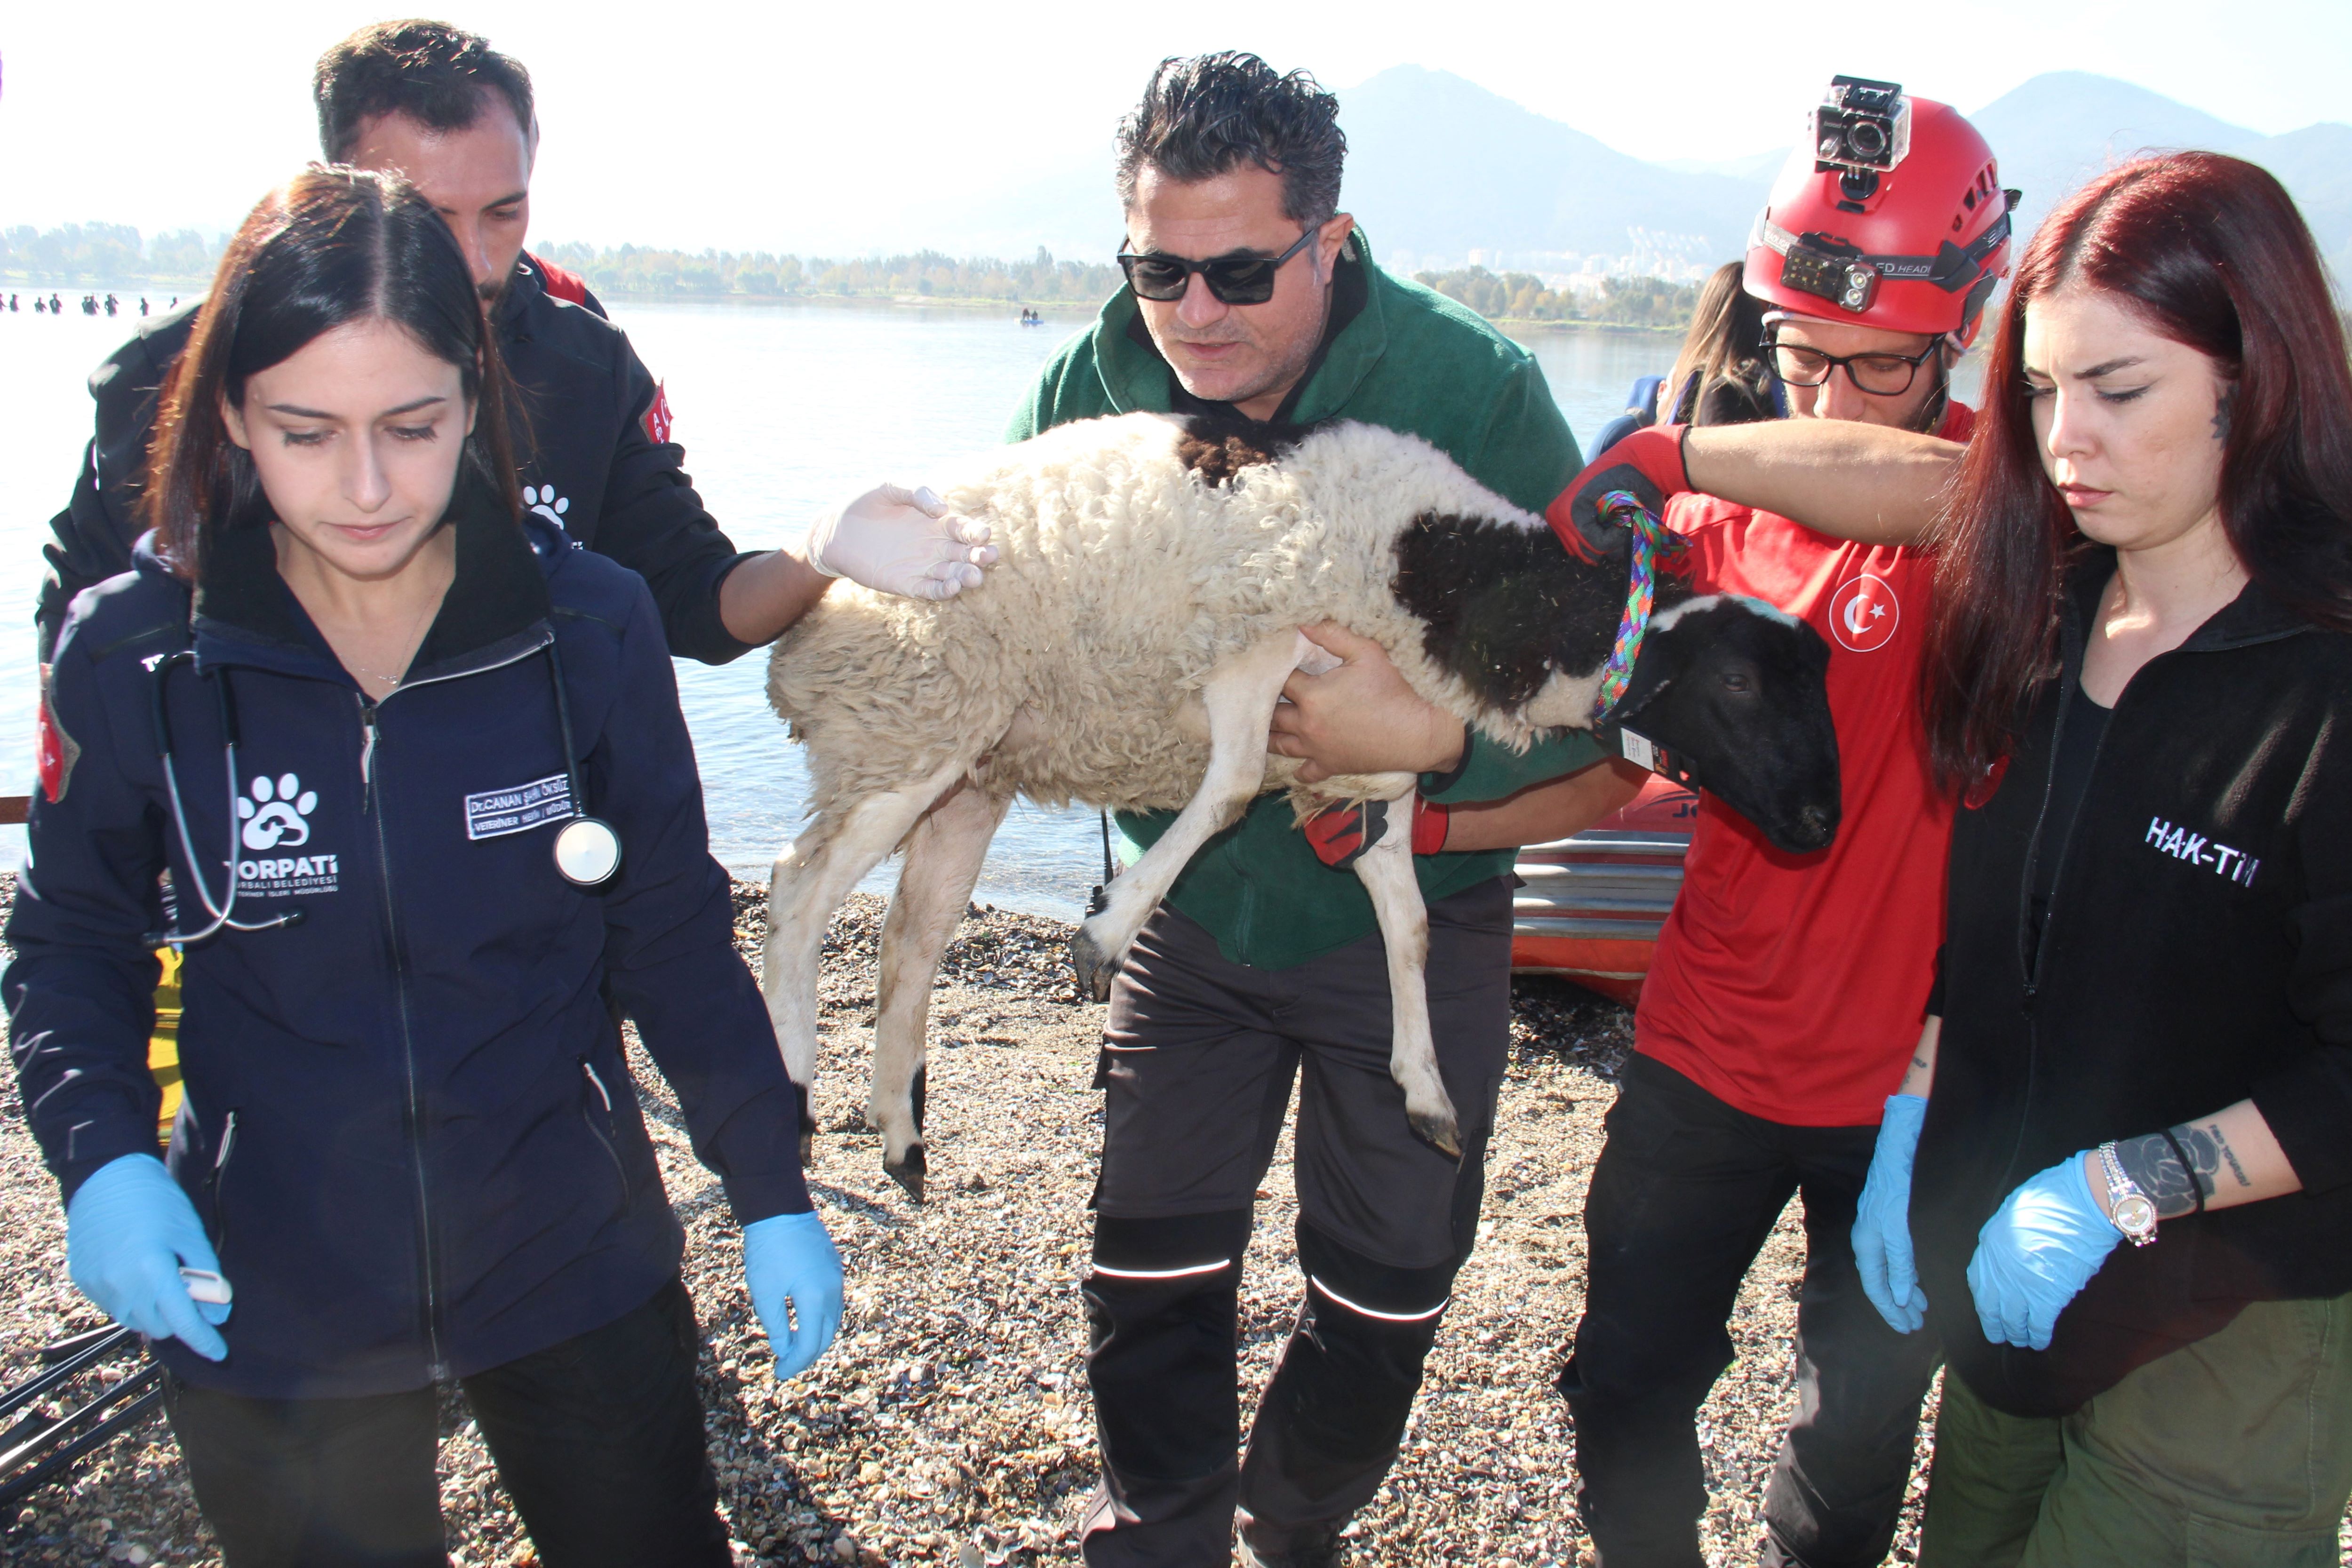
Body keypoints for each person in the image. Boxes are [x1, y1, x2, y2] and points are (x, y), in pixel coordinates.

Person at [6, 167, 842, 1568]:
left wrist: (768, 1181)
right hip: (270, 1282)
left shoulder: (588, 624)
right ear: (231, 414)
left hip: (569, 1251)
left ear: (475, 397)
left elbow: (673, 931)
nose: (368, 485)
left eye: (413, 425)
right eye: (306, 431)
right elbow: (72, 939)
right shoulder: (134, 653)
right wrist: (101, 1163)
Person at [1008, 51, 1625, 1568]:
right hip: (1193, 909)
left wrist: (1434, 743)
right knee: (1146, 1266)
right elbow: (1014, 633)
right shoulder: (1085, 387)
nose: (1194, 312)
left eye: (1239, 271)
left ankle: (1292, 1522)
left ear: (1330, 241)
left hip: (1410, 923)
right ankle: (1161, 1535)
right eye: (1158, 269)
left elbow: (1599, 702)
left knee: (1392, 1282)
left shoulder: (1475, 393)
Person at [1541, 81, 2015, 1568]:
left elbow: (1948, 492)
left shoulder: (2012, 513)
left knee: (1851, 1451)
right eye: (1802, 354)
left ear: (1964, 333)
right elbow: (1579, 735)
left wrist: (1681, 452)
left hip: (1907, 1090)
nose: (1833, 399)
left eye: (1881, 365)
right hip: (1704, 1051)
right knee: (1623, 1388)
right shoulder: (1706, 525)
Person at [37, 19, 989, 668]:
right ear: (332, 182)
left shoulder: (587, 369)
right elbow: (84, 622)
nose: (475, 262)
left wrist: (819, 549)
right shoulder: (173, 373)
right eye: (427, 216)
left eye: (505, 211)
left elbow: (694, 605)